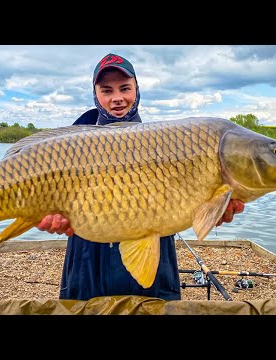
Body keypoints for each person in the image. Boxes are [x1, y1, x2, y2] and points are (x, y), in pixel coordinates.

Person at [36, 53, 245, 301]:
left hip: (153, 256)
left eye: (125, 88)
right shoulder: (69, 148)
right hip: (88, 257)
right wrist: (46, 215)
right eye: (107, 90)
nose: (117, 98)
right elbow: (49, 207)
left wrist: (212, 209)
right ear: (96, 95)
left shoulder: (168, 143)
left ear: (137, 90)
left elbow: (199, 202)